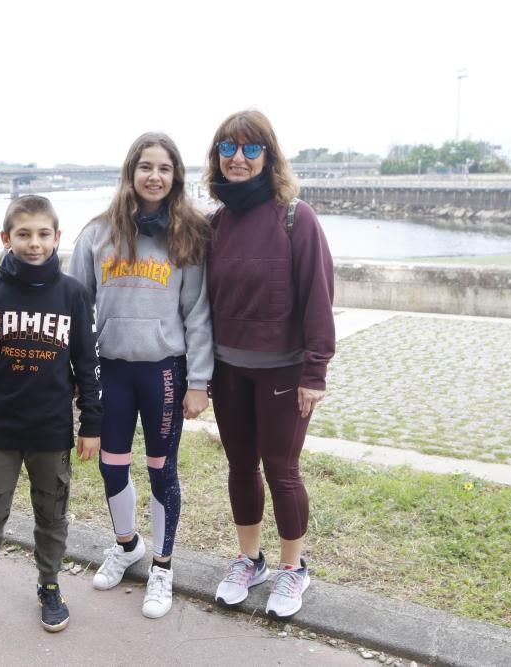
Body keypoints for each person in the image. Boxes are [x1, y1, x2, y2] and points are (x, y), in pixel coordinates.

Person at [68, 132, 213, 619]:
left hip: (164, 372)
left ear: (176, 177)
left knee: (160, 470)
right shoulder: (95, 234)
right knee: (111, 465)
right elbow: (77, 308)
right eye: (145, 166)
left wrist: (198, 382)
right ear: (130, 172)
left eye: (164, 168)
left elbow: (197, 313)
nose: (154, 176)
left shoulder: (186, 234)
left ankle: (163, 566)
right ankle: (128, 545)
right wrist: (75, 376)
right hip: (111, 370)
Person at [0, 194, 102, 644]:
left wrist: (91, 423)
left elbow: (87, 364)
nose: (34, 244)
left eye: (42, 234)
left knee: (52, 517)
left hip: (52, 432)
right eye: (23, 234)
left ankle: (49, 585)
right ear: (6, 238)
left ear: (57, 237)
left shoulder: (73, 294)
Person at [204, 110, 335, 619]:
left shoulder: (294, 218)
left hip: (284, 371)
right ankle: (249, 560)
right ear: (217, 157)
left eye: (251, 149)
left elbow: (319, 296)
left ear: (269, 156)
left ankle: (292, 570)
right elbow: (203, 302)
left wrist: (315, 372)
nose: (238, 158)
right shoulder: (216, 223)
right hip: (228, 370)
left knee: (282, 470)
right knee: (240, 466)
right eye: (228, 148)